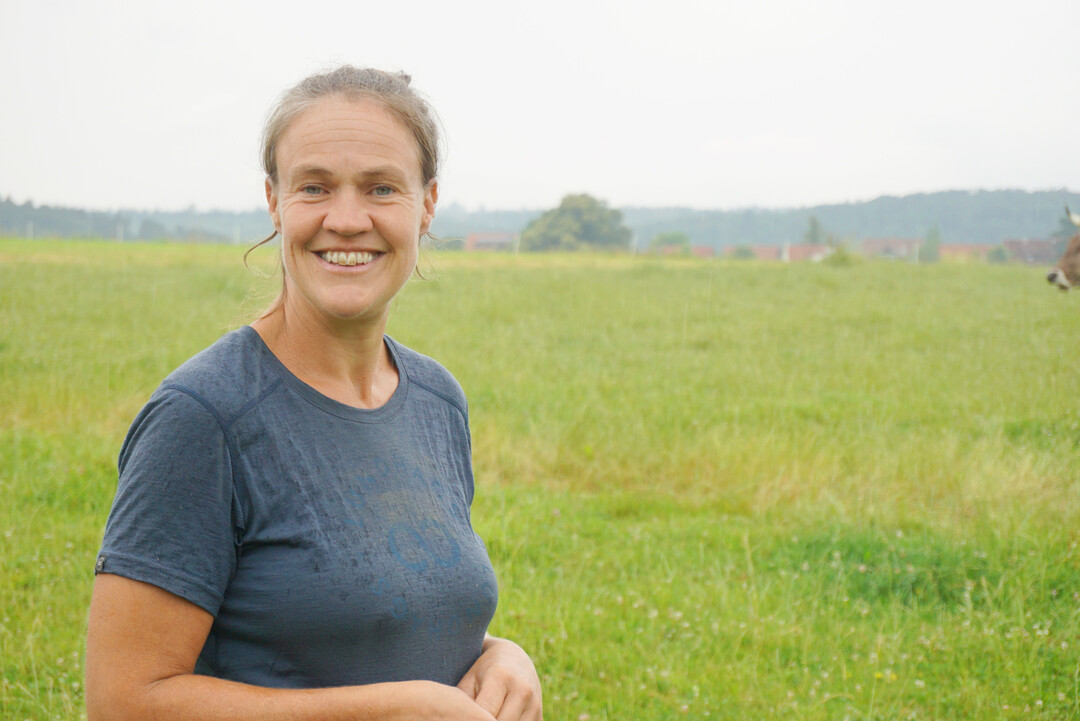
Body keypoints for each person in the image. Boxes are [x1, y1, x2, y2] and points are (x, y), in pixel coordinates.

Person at [86, 66, 542, 721]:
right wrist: (386, 712)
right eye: (314, 187)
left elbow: (395, 620)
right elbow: (123, 701)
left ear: (427, 204)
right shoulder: (203, 417)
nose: (347, 219)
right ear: (275, 202)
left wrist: (500, 654)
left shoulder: (437, 400)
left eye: (381, 187)